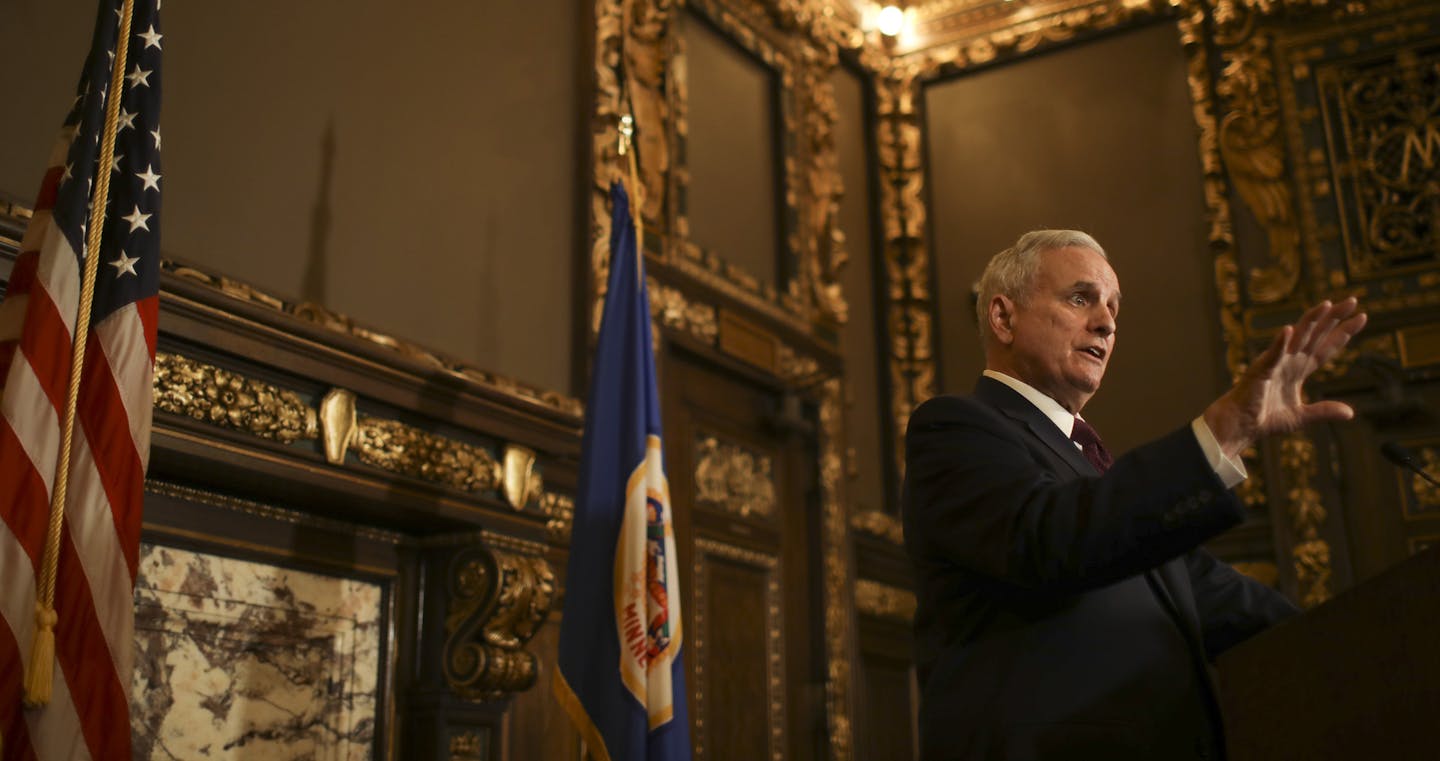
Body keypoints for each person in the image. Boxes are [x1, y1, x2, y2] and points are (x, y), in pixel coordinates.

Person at [901, 230, 1366, 761]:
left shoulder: (1094, 470)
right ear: (1003, 318)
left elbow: (1213, 593)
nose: (1106, 322)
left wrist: (1363, 646)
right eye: (1081, 298)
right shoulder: (955, 429)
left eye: (1112, 307)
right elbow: (1049, 537)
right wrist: (1222, 432)